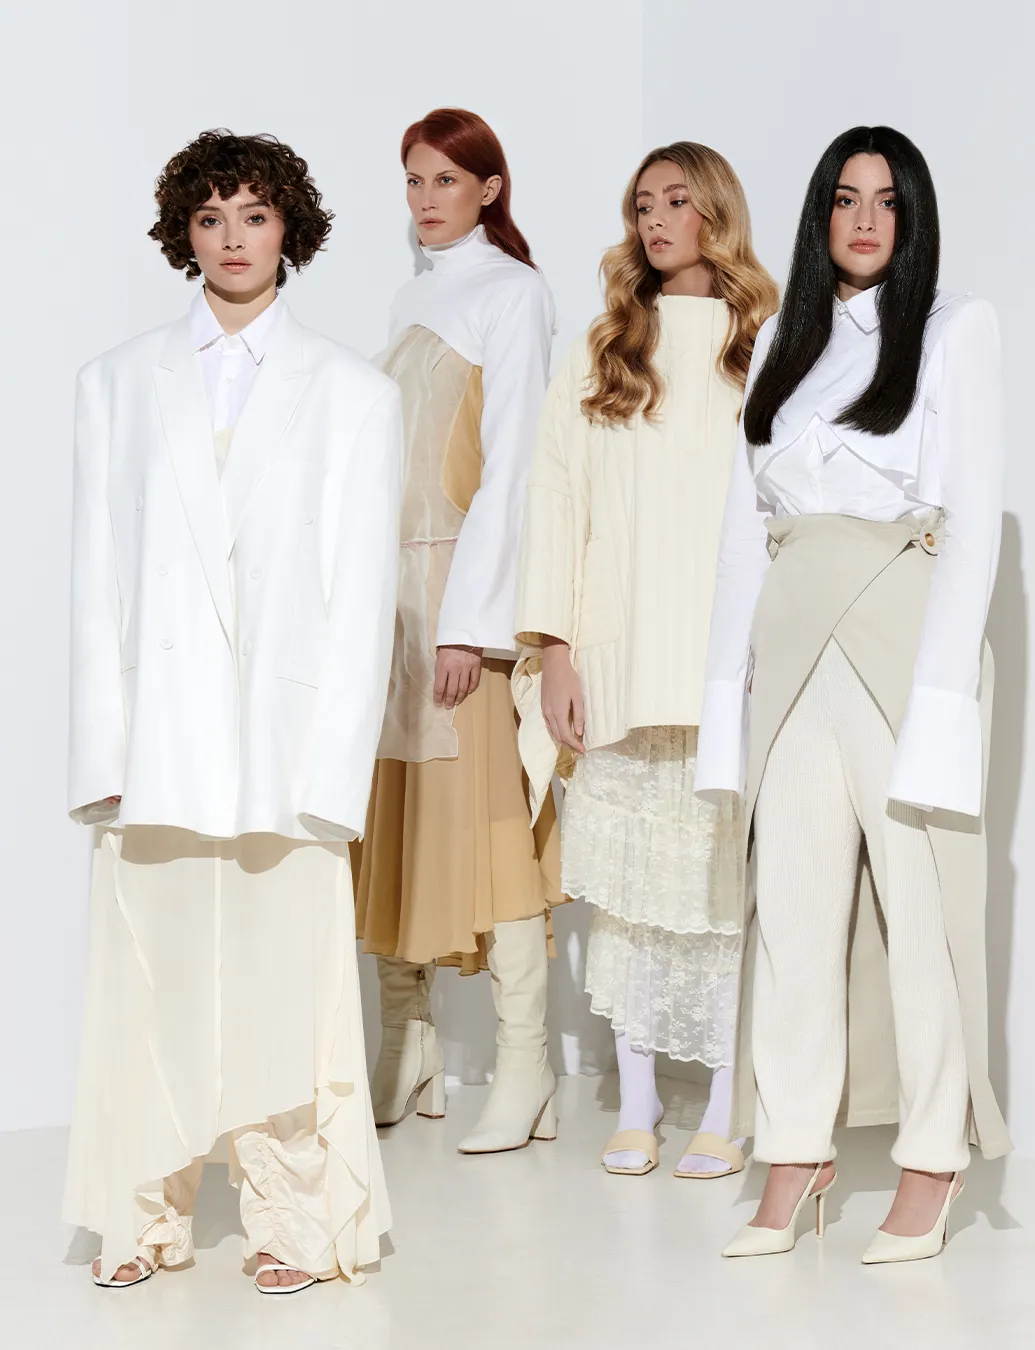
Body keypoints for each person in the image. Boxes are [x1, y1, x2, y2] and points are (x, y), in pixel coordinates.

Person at [64, 130, 401, 1292]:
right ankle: (141, 1219)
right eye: (210, 218)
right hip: (156, 743)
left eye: (254, 214)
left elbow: (363, 599)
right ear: (184, 235)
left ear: (288, 227)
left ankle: (297, 1222)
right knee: (148, 984)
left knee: (282, 992)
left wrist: (335, 769)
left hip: (280, 746)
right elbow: (95, 585)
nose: (233, 238)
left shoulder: (354, 394)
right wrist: (99, 754)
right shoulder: (114, 384)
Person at [695, 125, 1011, 1262]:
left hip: (899, 632)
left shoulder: (956, 327)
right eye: (844, 197)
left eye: (886, 199)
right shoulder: (783, 338)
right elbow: (744, 537)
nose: (865, 218)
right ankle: (794, 1151)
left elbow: (971, 525)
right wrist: (724, 704)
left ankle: (931, 1157)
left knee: (924, 919)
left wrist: (941, 703)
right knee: (791, 912)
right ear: (819, 215)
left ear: (912, 217)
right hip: (792, 643)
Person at [514, 143, 777, 1177]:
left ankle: (729, 1106)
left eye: (677, 201)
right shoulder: (603, 350)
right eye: (642, 205)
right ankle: (635, 1102)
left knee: (724, 888)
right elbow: (555, 501)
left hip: (729, 652)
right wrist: (557, 649)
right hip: (619, 650)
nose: (656, 220)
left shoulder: (767, 345)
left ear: (717, 212)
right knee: (626, 891)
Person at [353, 108, 565, 1155]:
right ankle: (409, 1043)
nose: (427, 198)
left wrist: (471, 630)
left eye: (446, 178)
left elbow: (515, 468)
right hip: (388, 606)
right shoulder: (410, 299)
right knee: (390, 820)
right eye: (413, 180)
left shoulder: (513, 293)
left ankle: (527, 1065)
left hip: (458, 609)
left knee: (485, 823)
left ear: (489, 187)